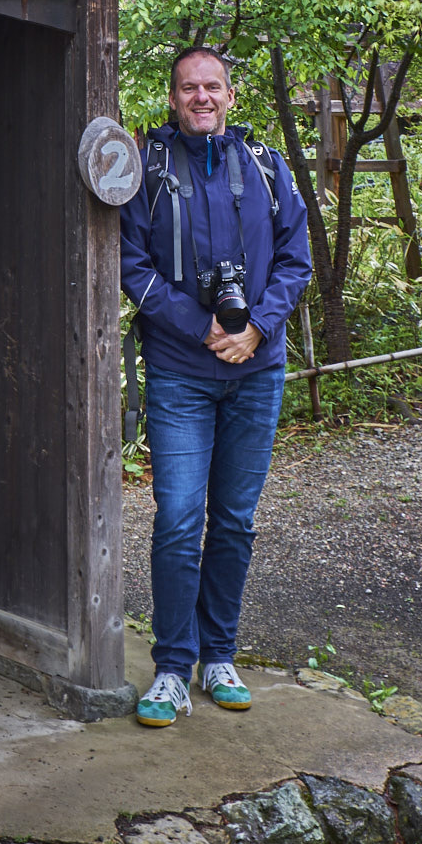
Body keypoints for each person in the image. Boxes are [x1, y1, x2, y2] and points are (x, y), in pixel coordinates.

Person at [119, 46, 312, 728]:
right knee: (177, 520)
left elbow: (296, 259)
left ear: (231, 96)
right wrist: (199, 326)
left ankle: (219, 656)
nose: (201, 97)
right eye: (188, 88)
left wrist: (256, 327)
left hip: (257, 371)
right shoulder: (147, 170)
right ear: (172, 98)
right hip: (181, 371)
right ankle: (173, 667)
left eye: (212, 87)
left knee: (234, 520)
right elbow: (131, 263)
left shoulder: (266, 167)